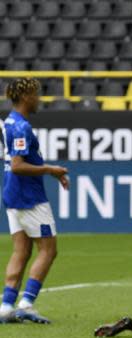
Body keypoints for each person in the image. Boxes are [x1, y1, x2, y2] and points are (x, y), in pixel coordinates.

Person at [0, 78, 69, 324]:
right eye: (37, 94)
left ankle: (6, 306)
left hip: (12, 194)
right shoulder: (21, 127)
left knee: (22, 250)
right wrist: (50, 169)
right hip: (28, 197)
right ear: (27, 95)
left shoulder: (9, 122)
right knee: (48, 250)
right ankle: (26, 303)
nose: (39, 99)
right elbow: (18, 166)